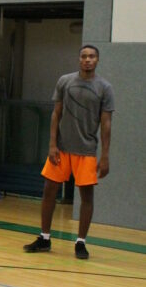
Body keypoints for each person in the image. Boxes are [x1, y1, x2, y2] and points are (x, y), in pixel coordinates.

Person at [23, 44, 115, 260]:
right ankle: (44, 237)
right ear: (79, 59)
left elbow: (106, 123)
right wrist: (52, 144)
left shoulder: (105, 88)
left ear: (97, 60)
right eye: (84, 56)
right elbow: (56, 114)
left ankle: (81, 242)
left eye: (92, 56)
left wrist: (105, 155)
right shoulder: (65, 81)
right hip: (61, 148)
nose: (87, 60)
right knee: (49, 190)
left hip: (86, 150)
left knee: (86, 196)